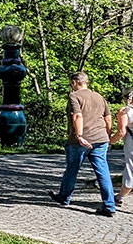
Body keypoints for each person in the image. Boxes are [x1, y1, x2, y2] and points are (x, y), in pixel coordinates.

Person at [48, 72, 116, 217]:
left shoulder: (74, 96)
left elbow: (77, 115)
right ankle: (109, 205)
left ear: (74, 82)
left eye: (71, 83)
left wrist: (79, 135)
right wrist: (107, 137)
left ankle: (64, 197)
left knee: (72, 169)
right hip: (100, 139)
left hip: (81, 141)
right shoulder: (99, 96)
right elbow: (108, 118)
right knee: (103, 172)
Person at [108, 87, 133, 207]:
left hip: (131, 143)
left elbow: (121, 132)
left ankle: (120, 197)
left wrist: (110, 142)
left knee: (131, 169)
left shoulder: (125, 111)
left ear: (125, 98)